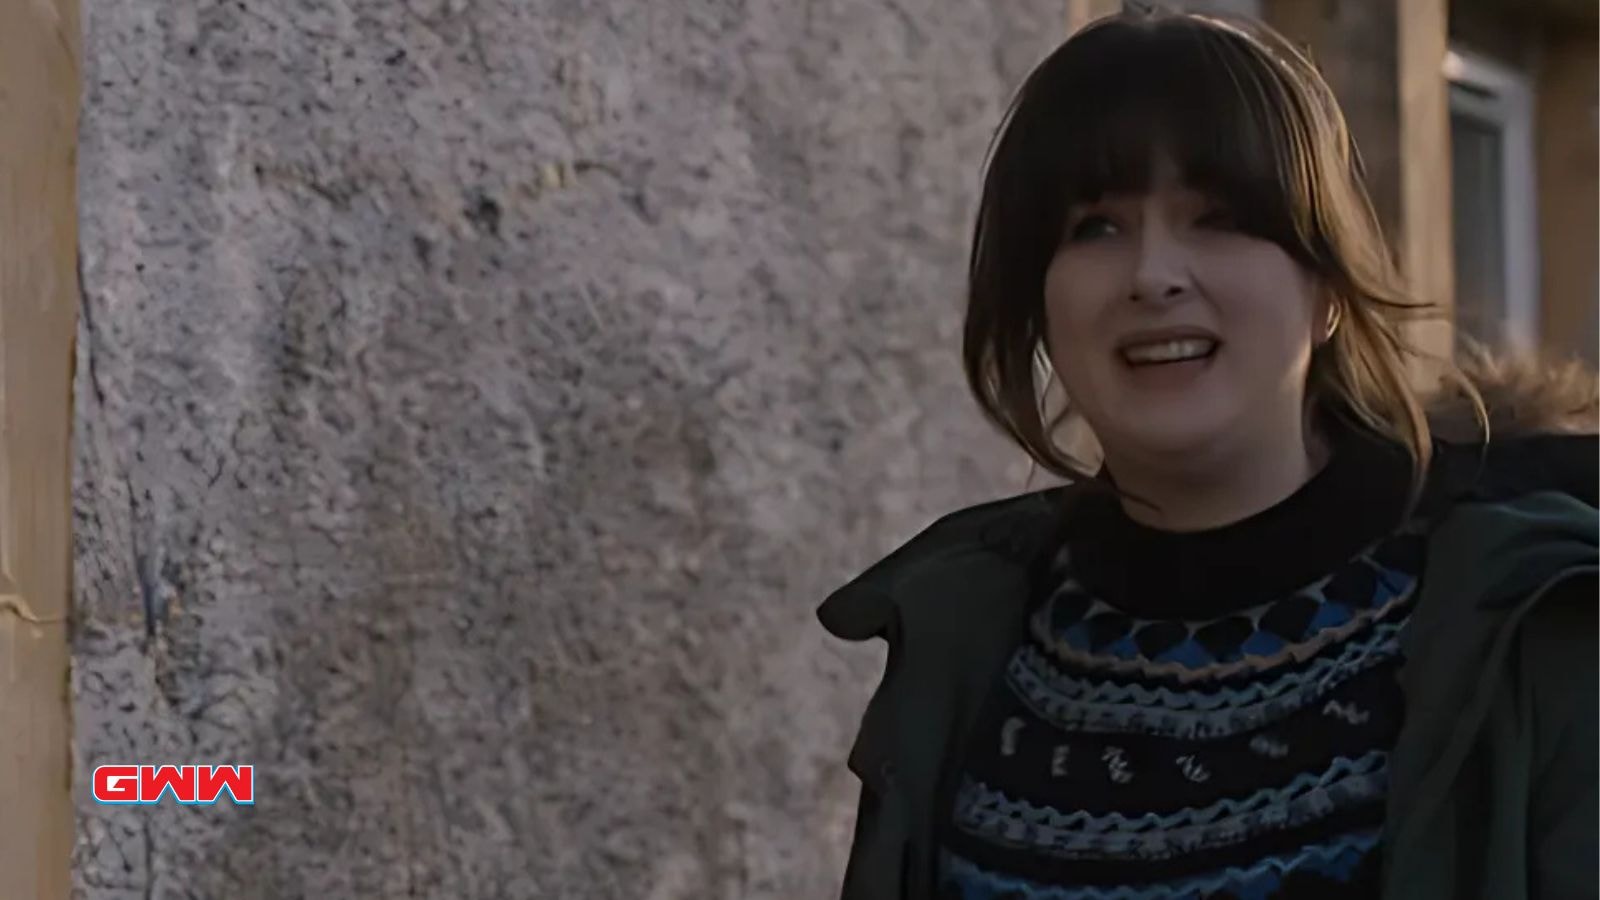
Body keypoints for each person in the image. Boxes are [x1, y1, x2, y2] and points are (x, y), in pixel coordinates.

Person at [818, 9, 1598, 900]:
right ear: (1037, 300)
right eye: (1096, 228)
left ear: (1328, 291)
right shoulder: (965, 644)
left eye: (1219, 218)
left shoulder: (1531, 627)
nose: (1154, 275)